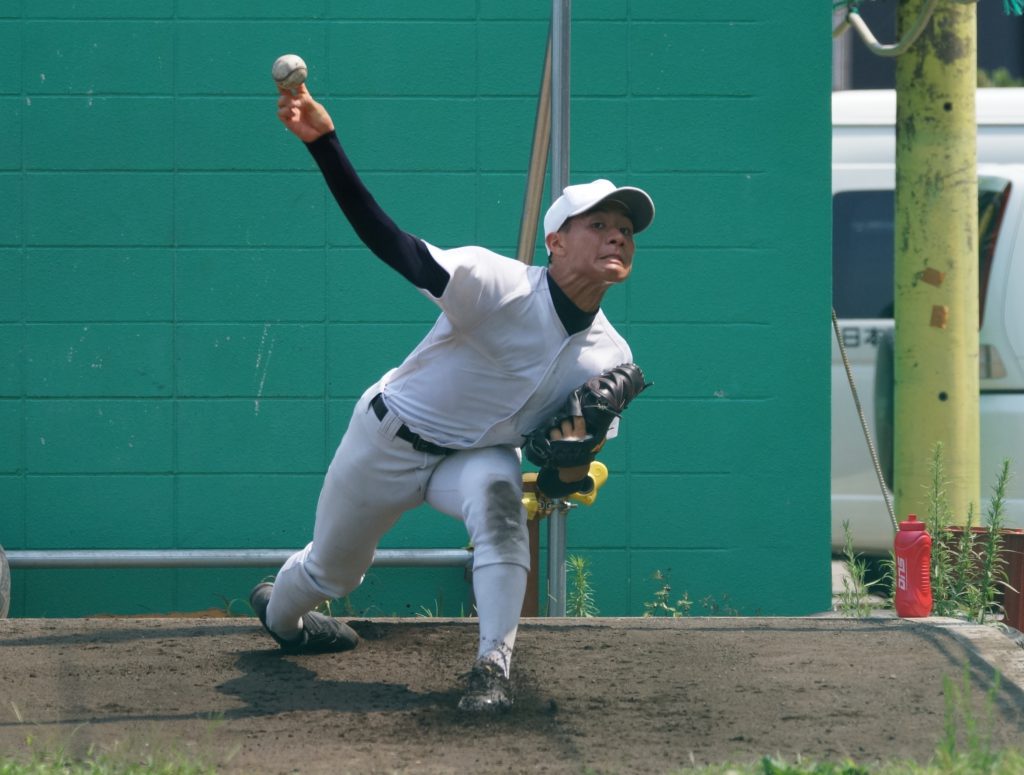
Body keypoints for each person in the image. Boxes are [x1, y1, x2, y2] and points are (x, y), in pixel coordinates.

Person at [249, 83, 655, 713]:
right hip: (390, 437)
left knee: (501, 518)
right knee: (334, 575)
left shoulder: (612, 356)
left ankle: (492, 670)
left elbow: (563, 475)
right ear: (555, 242)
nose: (616, 236)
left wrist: (574, 457)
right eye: (597, 224)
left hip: (479, 455)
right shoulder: (499, 284)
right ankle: (280, 616)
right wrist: (326, 144)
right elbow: (391, 242)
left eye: (625, 229)